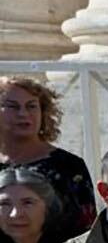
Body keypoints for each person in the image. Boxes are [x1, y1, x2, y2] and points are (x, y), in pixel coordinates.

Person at [0, 75, 95, 233]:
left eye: (31, 106)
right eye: (13, 106)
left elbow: (84, 230)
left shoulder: (68, 166)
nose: (23, 114)